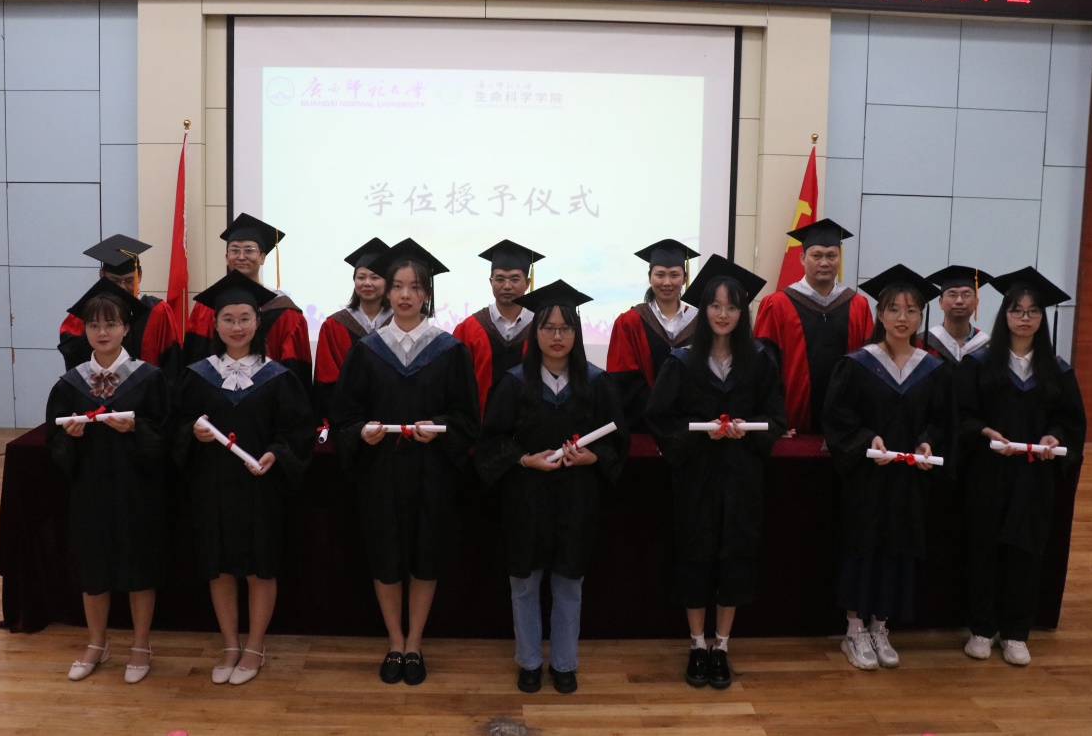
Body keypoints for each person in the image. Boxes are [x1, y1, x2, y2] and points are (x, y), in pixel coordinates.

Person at [330, 239, 479, 686]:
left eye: (414, 287)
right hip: (381, 471)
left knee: (425, 556)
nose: (405, 295)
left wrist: (441, 426)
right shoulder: (367, 350)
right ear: (387, 291)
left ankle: (415, 642)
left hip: (432, 473)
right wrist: (362, 432)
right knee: (386, 556)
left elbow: (467, 418)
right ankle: (394, 641)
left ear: (427, 294)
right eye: (397, 286)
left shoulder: (449, 350)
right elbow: (345, 416)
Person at [477, 280, 627, 695]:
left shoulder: (596, 383)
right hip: (526, 498)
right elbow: (491, 443)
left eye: (565, 328)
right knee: (524, 584)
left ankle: (563, 663)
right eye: (548, 327)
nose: (557, 336)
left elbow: (618, 441)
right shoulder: (513, 383)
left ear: (576, 333)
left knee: (568, 583)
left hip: (577, 498)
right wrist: (525, 459)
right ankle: (528, 661)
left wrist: (593, 457)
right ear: (535, 332)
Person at [645, 255, 785, 689]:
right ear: (703, 310)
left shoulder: (760, 360)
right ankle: (697, 644)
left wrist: (749, 430)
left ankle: (721, 646)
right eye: (715, 306)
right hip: (697, 477)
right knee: (695, 557)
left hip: (742, 477)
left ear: (742, 313)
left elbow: (776, 419)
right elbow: (660, 418)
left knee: (734, 559)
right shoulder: (682, 361)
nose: (723, 314)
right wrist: (699, 434)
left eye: (732, 307)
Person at [175, 270, 314, 686]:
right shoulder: (197, 375)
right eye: (228, 319)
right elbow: (175, 426)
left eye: (244, 319)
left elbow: (297, 432)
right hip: (212, 485)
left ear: (257, 323)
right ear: (216, 325)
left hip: (260, 486)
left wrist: (277, 453)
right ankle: (230, 644)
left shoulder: (278, 376)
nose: (237, 327)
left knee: (259, 568)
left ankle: (255, 646)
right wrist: (192, 432)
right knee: (218, 568)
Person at [954, 266, 1086, 667]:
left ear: (1042, 317)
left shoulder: (1056, 369)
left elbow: (1070, 422)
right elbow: (961, 416)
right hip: (988, 473)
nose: (1024, 317)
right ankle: (981, 628)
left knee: (1026, 552)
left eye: (1032, 311)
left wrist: (1054, 438)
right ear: (1005, 314)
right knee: (983, 548)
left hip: (1034, 475)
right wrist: (984, 432)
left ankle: (1015, 632)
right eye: (1016, 310)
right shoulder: (979, 364)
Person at [823, 264, 952, 671]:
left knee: (899, 547)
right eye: (893, 309)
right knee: (862, 545)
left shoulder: (931, 368)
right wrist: (867, 440)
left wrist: (927, 441)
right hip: (867, 477)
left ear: (920, 317)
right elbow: (838, 418)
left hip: (908, 477)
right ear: (880, 314)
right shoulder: (858, 364)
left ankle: (881, 627)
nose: (902, 317)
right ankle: (854, 629)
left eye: (911, 310)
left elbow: (940, 419)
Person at [46, 280, 171, 684]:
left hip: (137, 489)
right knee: (93, 567)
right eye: (94, 325)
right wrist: (69, 437)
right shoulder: (70, 384)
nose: (102, 332)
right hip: (92, 489)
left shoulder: (148, 378)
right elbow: (54, 441)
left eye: (111, 324)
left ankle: (141, 645)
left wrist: (136, 428)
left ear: (126, 328)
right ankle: (96, 643)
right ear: (84, 330)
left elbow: (166, 434)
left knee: (138, 567)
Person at [754, 219, 873, 434]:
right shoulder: (778, 305)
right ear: (803, 258)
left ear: (840, 258)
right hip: (791, 425)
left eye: (831, 255)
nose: (824, 262)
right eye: (816, 255)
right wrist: (772, 420)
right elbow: (763, 370)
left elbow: (869, 369)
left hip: (846, 428)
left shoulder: (858, 306)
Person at [183, 213, 313, 394]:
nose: (241, 256)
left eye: (249, 250)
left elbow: (296, 376)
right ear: (226, 257)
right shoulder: (206, 308)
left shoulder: (286, 314)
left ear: (262, 257)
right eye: (234, 250)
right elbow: (193, 361)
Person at [58, 234, 183, 380]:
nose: (122, 287)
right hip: (98, 389)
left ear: (139, 276)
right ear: (102, 275)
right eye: (115, 281)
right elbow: (73, 356)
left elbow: (172, 362)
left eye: (129, 280)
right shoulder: (88, 310)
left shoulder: (158, 311)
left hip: (147, 390)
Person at [607, 238, 700, 427]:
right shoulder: (630, 322)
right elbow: (623, 380)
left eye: (674, 275)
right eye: (660, 275)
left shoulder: (698, 322)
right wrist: (658, 408)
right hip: (644, 424)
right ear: (650, 277)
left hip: (690, 423)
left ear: (684, 278)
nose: (667, 282)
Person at [453, 239, 545, 417]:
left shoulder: (541, 328)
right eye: (500, 279)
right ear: (490, 281)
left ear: (527, 283)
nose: (507, 286)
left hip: (530, 424)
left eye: (515, 279)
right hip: (479, 425)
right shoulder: (469, 329)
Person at [313, 237, 392, 410]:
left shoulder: (399, 323)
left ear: (388, 282)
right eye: (361, 277)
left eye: (375, 277)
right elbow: (326, 379)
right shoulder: (334, 325)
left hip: (390, 411)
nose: (367, 283)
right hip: (346, 414)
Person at [923, 265, 995, 365]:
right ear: (941, 302)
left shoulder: (988, 347)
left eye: (966, 295)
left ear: (976, 303)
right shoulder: (923, 344)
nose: (959, 301)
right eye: (952, 295)